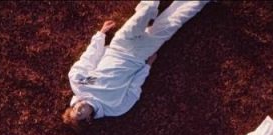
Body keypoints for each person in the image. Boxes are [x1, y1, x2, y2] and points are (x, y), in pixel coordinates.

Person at [63, 0, 209, 128]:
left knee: (147, 9)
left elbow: (89, 58)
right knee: (174, 20)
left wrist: (100, 35)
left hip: (120, 45)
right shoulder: (115, 108)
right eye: (80, 114)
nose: (79, 108)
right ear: (88, 119)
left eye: (75, 108)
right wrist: (147, 66)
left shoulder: (77, 82)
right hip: (140, 56)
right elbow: (134, 88)